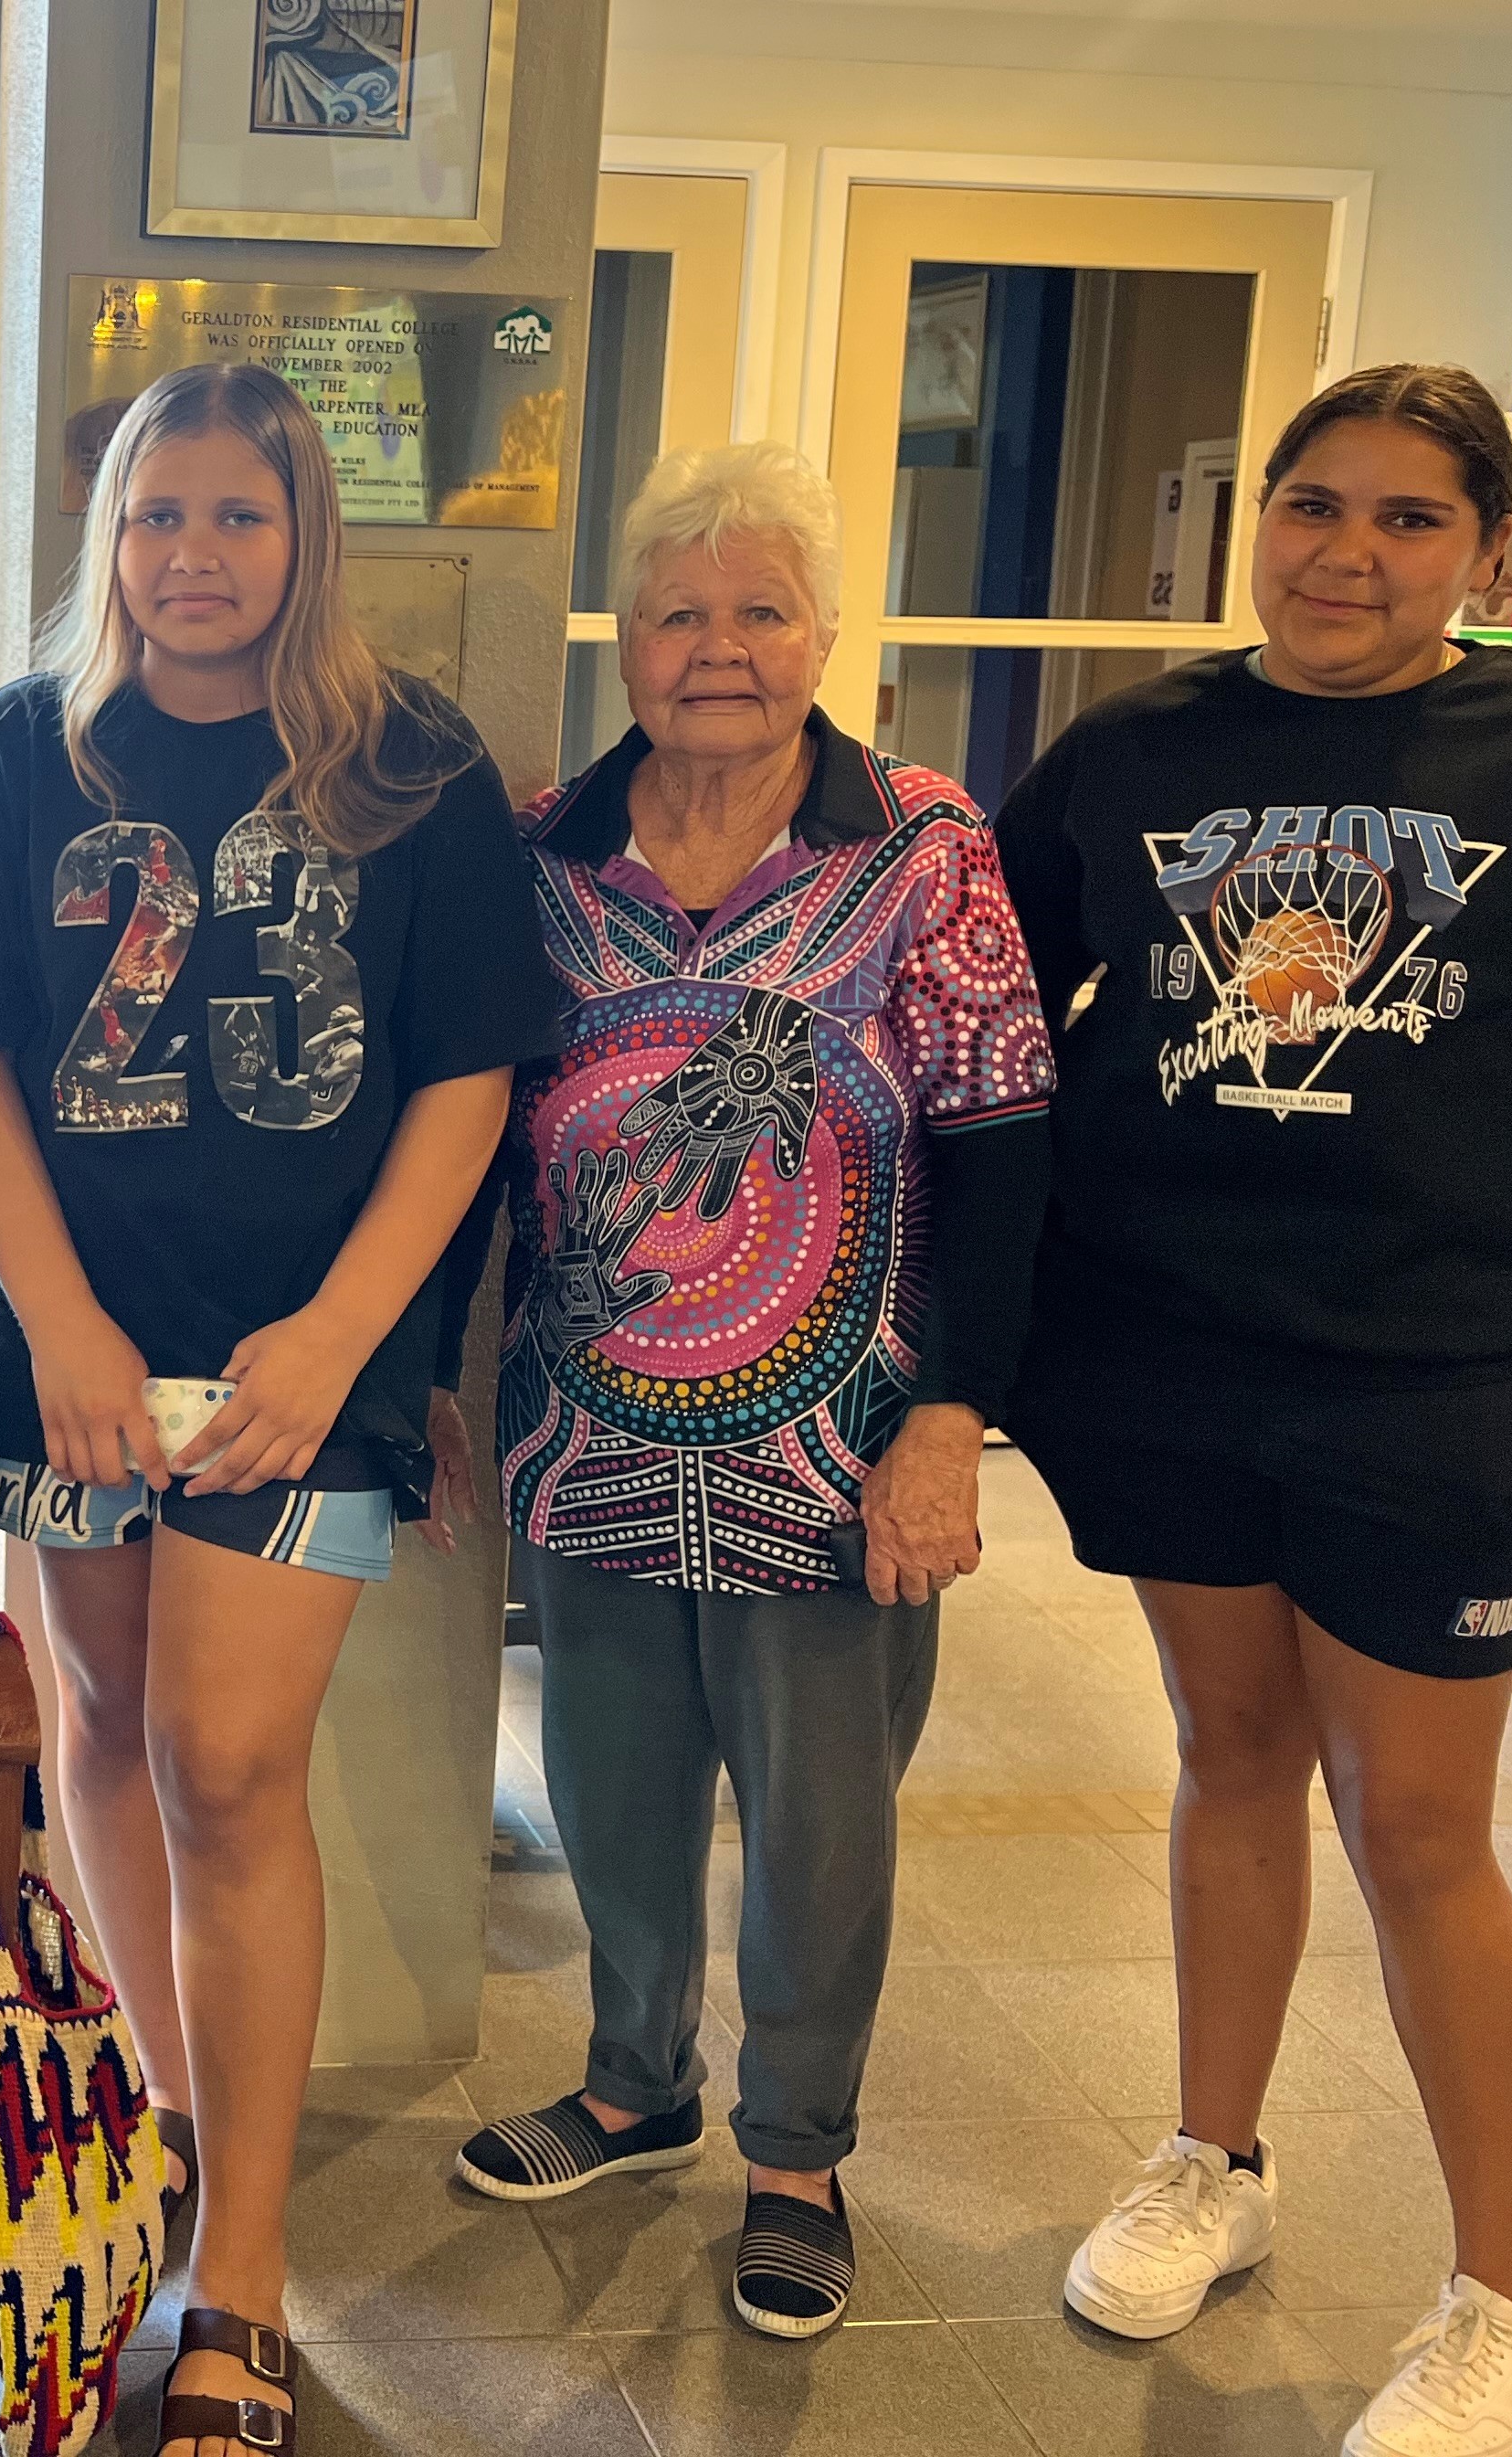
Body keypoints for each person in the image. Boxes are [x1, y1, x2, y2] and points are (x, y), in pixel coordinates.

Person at [995, 364, 1512, 2457]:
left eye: (1410, 520)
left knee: (1421, 1829)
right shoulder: (1136, 749)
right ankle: (1214, 2163)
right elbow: (987, 1019)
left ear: (1484, 549)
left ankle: (1509, 2297)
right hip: (1173, 1365)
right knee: (1229, 1755)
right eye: (1315, 504)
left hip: (1451, 1390)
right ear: (1257, 515)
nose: (1349, 554)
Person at [0, 360, 560, 2457]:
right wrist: (59, 1319)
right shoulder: (23, 749)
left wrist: (351, 1335)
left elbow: (466, 1083)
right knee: (94, 1727)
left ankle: (241, 2282)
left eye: (236, 517)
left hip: (296, 1375)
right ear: (112, 539)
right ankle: (179, 2141)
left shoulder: (412, 766)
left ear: (302, 534)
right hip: (71, 1357)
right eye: (157, 516)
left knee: (229, 1760)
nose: (193, 557)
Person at [430, 443, 1056, 2339]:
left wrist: (954, 1420)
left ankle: (796, 2150)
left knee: (820, 1818)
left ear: (824, 634)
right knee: (614, 1785)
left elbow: (1012, 1139)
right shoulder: (545, 854)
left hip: (840, 1444)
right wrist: (437, 1372)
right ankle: (634, 2083)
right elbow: (471, 1140)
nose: (720, 649)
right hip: (590, 1422)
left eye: (761, 610)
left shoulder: (919, 843)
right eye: (682, 611)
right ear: (629, 638)